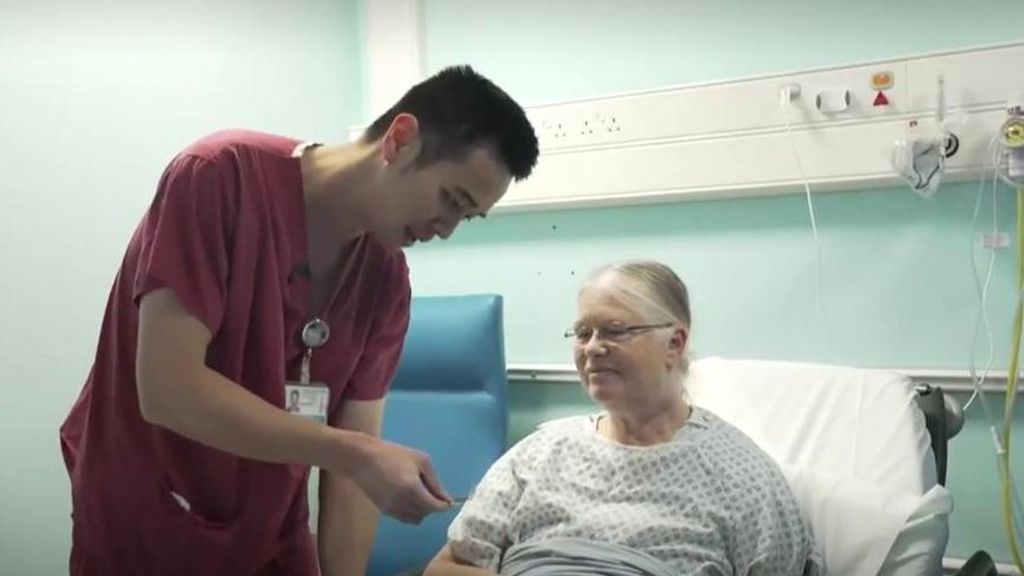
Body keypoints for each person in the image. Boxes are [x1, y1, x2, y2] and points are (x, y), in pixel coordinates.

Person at [59, 65, 539, 576]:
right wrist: (355, 453)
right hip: (147, 525)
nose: (446, 230)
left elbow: (352, 476)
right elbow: (168, 389)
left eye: (467, 217)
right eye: (451, 200)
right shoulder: (219, 177)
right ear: (400, 140)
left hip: (266, 536)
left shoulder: (386, 282)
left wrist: (355, 468)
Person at [425, 261, 822, 576]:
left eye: (615, 331)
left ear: (674, 343)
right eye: (583, 332)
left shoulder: (742, 478)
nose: (593, 348)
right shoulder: (538, 454)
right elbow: (446, 567)